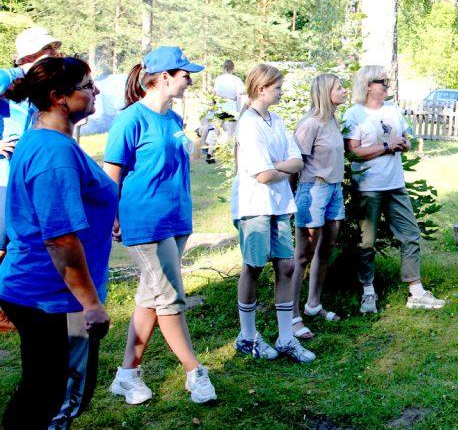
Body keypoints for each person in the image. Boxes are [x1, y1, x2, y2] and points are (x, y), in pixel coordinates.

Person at [0, 57, 116, 428]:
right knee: (52, 397)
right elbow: (60, 240)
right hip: (53, 297)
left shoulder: (39, 139)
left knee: (43, 389)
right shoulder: (55, 153)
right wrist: (90, 304)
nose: (96, 91)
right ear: (59, 98)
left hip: (40, 290)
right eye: (87, 85)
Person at [104, 46, 216, 405]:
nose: (190, 80)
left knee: (150, 296)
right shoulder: (130, 120)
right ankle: (194, 371)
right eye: (185, 74)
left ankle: (126, 374)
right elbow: (112, 176)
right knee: (170, 298)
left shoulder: (172, 119)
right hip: (145, 222)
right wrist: (114, 217)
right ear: (165, 77)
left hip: (176, 219)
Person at [343, 65, 445, 314]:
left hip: (395, 185)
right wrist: (386, 146)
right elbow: (352, 152)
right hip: (368, 187)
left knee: (410, 234)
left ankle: (416, 291)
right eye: (383, 82)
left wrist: (403, 144)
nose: (388, 86)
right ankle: (368, 292)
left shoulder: (393, 110)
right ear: (368, 85)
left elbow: (408, 139)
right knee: (366, 242)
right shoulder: (354, 114)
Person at [231, 63, 314, 363]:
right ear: (262, 88)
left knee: (286, 266)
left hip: (280, 204)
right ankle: (247, 336)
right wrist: (278, 166)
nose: (281, 91)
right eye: (277, 87)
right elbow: (262, 175)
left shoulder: (276, 121)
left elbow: (297, 162)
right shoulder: (248, 123)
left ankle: (286, 338)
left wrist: (275, 165)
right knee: (253, 267)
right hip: (255, 207)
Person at [0, 27, 63, 332]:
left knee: (21, 238)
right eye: (46, 50)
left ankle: (13, 304)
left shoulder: (43, 87)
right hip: (3, 176)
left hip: (28, 174)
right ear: (28, 56)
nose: (53, 54)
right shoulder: (5, 76)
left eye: (53, 49)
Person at [289, 74, 347, 339]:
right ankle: (291, 316)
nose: (344, 90)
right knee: (303, 255)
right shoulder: (309, 125)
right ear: (325, 92)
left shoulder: (332, 121)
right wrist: (292, 198)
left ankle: (313, 305)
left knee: (325, 249)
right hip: (313, 190)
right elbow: (294, 164)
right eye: (339, 87)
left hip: (334, 189)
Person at [198, 60, 245, 164]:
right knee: (231, 133)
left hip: (220, 106)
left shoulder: (219, 79)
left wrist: (214, 106)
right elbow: (238, 96)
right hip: (231, 106)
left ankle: (210, 154)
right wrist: (238, 110)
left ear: (224, 67)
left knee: (216, 131)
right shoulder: (237, 80)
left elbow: (215, 94)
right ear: (233, 68)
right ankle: (229, 157)